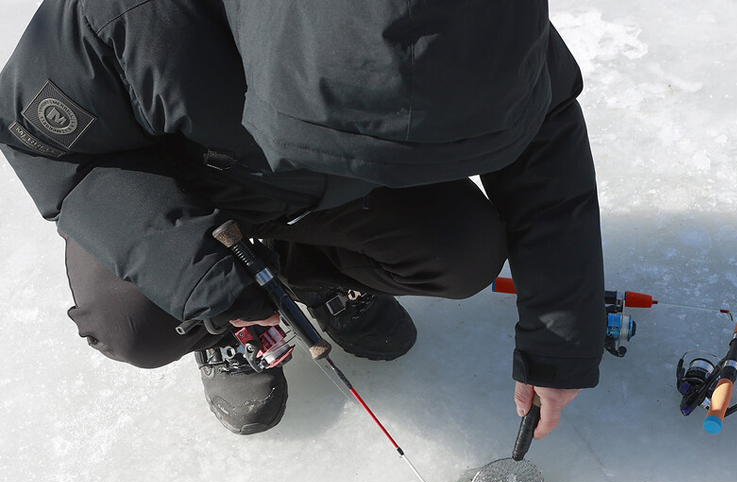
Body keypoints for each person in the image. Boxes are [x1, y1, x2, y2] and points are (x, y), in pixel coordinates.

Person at [0, 0, 605, 437]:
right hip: (195, 191)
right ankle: (227, 323)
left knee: (463, 250)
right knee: (132, 324)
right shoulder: (131, 18)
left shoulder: (485, 23)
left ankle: (314, 280)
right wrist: (196, 274)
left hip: (336, 196)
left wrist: (561, 346)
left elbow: (547, 158)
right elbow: (50, 146)